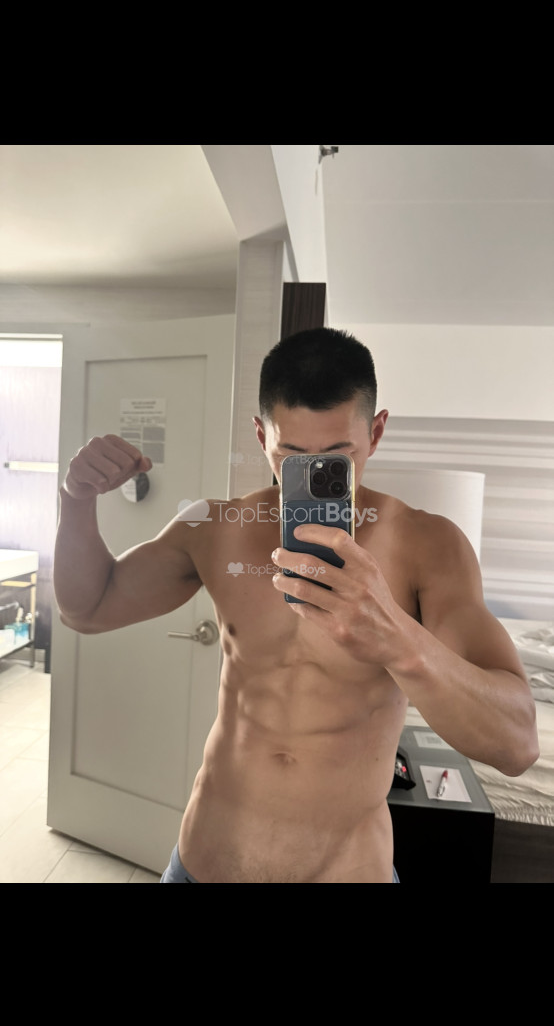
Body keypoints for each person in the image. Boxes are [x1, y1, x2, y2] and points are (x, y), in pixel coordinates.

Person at [53, 327, 539, 883]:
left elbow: (517, 744)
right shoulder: (214, 528)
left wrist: (396, 638)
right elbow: (86, 609)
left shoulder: (429, 545)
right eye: (292, 455)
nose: (313, 476)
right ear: (261, 436)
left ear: (376, 432)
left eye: (337, 457)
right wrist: (76, 500)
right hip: (202, 865)